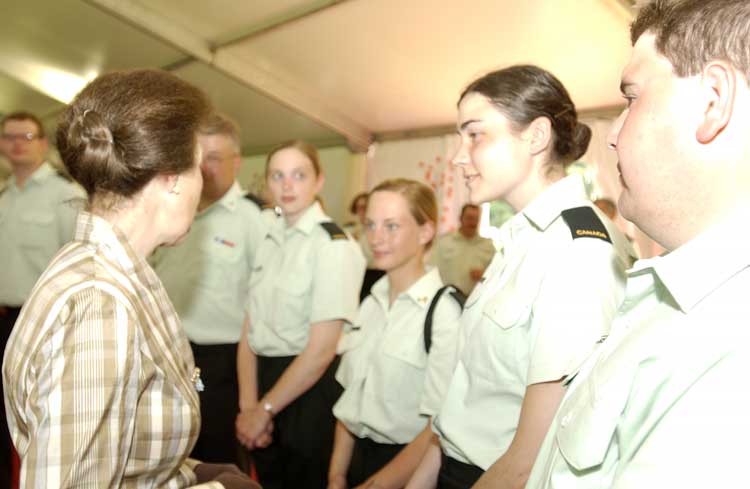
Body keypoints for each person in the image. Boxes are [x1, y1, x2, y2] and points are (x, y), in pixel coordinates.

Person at [526, 1, 750, 487]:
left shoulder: (733, 346)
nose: (613, 136)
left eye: (632, 97)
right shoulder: (683, 294)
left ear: (713, 100)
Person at [2, 69, 258, 488]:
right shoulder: (100, 305)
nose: (203, 182)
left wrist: (191, 473)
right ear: (171, 181)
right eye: (197, 168)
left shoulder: (108, 267)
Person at [405, 65, 635, 489]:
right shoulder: (520, 239)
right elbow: (462, 407)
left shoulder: (578, 249)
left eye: (474, 134)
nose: (458, 155)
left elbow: (532, 458)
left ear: (535, 136)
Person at [235, 140, 365, 489]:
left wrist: (263, 412)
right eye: (277, 176)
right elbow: (249, 330)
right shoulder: (269, 238)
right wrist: (249, 408)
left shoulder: (333, 245)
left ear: (318, 181)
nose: (287, 186)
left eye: (298, 175)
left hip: (307, 392)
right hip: (264, 384)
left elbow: (322, 351)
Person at [328, 179, 464, 489]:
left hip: (409, 469)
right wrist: (336, 475)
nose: (376, 238)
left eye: (391, 226)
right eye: (371, 225)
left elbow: (436, 429)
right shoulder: (370, 303)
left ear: (426, 232)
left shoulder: (444, 313)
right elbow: (349, 405)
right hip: (355, 459)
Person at [151, 113, 266, 466]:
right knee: (167, 458)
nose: (204, 166)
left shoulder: (256, 220)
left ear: (237, 162)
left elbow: (261, 305)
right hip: (168, 356)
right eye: (197, 156)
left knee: (217, 463)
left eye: (214, 157)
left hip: (223, 366)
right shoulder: (169, 209)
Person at [0, 111, 85, 488]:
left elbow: (82, 261)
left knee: (43, 422)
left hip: (42, 324)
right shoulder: (2, 197)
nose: (17, 143)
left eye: (27, 136)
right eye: (9, 136)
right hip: (2, 321)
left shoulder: (66, 196)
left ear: (43, 144)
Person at [430, 203, 495, 295]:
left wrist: (484, 276)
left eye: (476, 219)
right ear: (460, 218)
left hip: (474, 304)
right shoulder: (443, 243)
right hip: (444, 300)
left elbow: (496, 278)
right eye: (469, 218)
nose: (473, 223)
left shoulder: (488, 246)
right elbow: (430, 270)